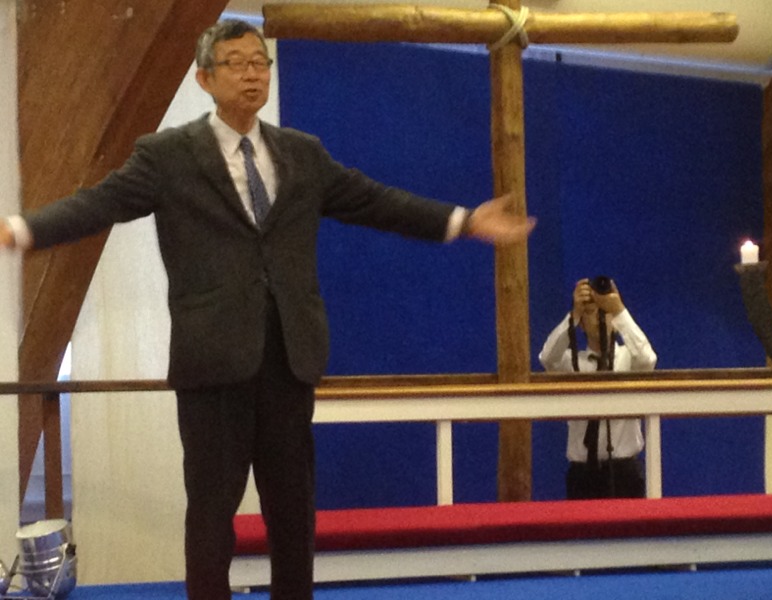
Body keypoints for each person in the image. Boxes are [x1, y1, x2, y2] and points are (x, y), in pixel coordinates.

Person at [0, 19, 534, 600]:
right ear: (205, 78)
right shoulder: (167, 156)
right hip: (214, 363)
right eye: (236, 63)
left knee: (293, 508)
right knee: (212, 511)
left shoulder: (302, 154)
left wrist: (463, 221)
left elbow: (374, 201)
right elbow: (97, 204)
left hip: (289, 355)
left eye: (260, 62)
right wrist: (23, 230)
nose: (252, 74)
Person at [538, 276, 656, 500]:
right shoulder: (572, 362)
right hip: (583, 474)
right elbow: (547, 358)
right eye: (592, 312)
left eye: (606, 312)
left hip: (624, 472)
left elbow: (648, 359)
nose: (600, 318)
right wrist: (574, 315)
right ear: (582, 324)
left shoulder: (628, 358)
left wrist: (619, 310)